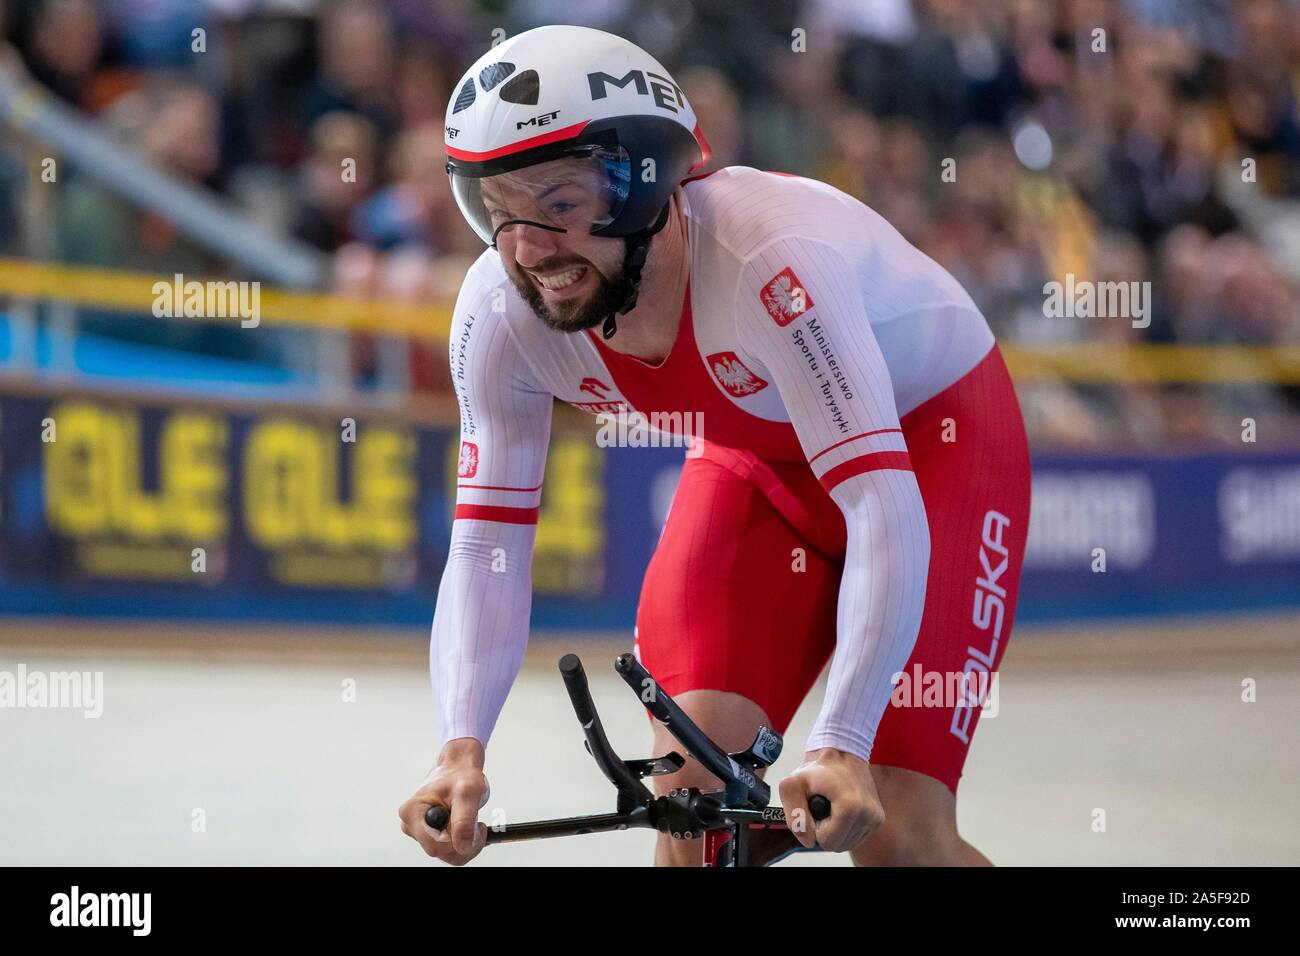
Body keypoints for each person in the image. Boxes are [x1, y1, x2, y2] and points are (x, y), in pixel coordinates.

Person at [398, 25, 1031, 866]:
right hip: (755, 459)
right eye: (496, 210)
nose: (528, 251)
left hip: (933, 445)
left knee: (898, 839)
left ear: (643, 181)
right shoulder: (497, 313)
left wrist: (840, 741)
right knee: (695, 825)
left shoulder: (771, 264)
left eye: (557, 205)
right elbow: (486, 546)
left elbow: (881, 503)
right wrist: (460, 749)